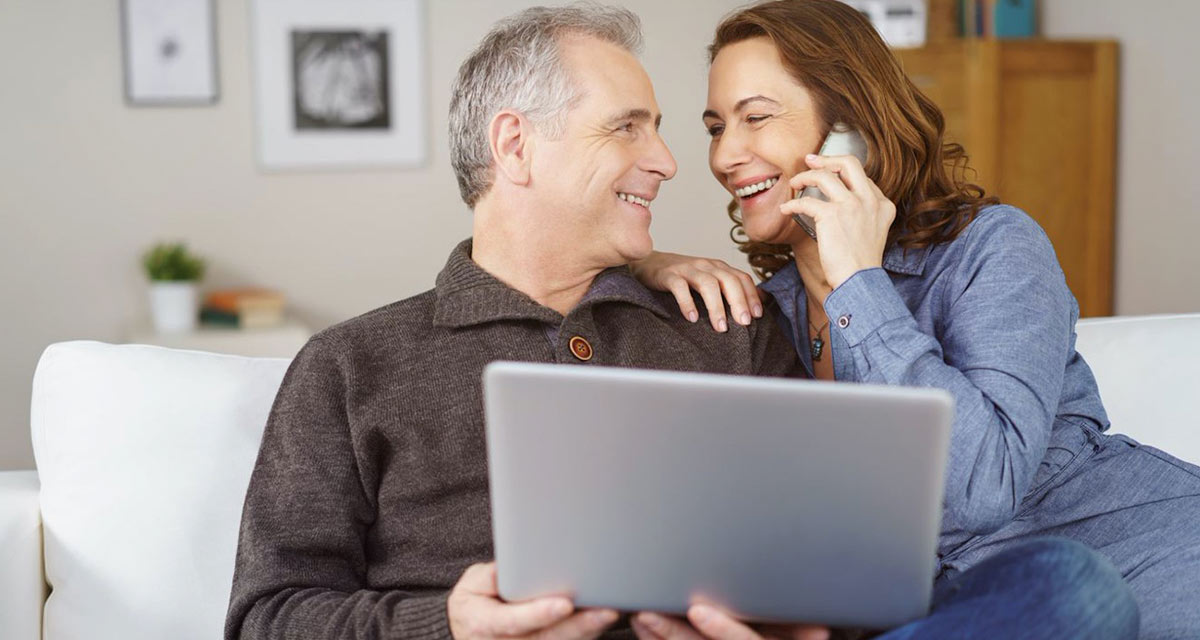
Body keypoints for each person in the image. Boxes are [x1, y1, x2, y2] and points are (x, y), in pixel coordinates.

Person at [224, 4, 1136, 640]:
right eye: (629, 128)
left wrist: (787, 631)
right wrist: (447, 625)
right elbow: (269, 618)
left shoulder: (728, 324)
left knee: (1067, 590)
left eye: (668, 128)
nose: (669, 161)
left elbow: (850, 569)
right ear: (515, 147)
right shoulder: (349, 367)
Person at [632, 1, 1200, 638]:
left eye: (755, 118)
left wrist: (857, 283)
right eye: (715, 128)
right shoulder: (763, 318)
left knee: (1072, 589)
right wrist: (641, 262)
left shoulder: (994, 248)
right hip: (941, 615)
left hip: (1134, 567)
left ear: (849, 130)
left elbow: (985, 486)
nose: (725, 156)